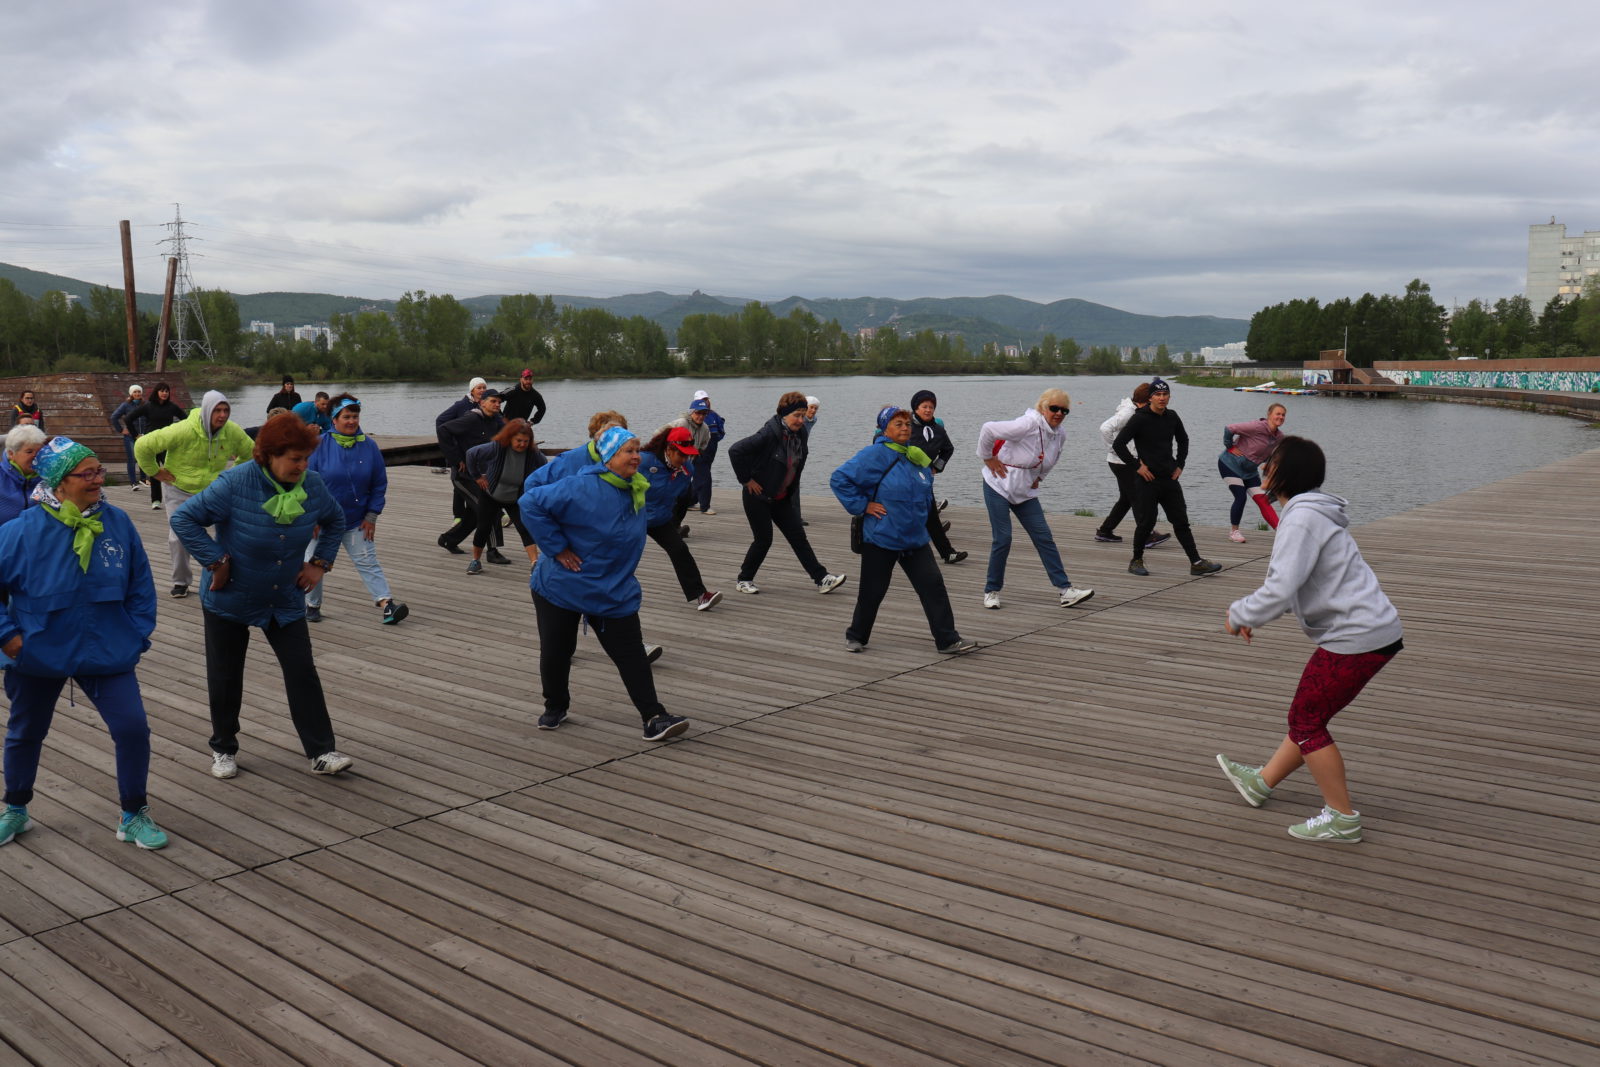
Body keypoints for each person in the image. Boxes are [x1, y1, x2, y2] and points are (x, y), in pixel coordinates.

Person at [1216, 435, 1403, 844]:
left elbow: (1282, 586)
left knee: (1306, 722)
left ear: (1287, 472)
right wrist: (1261, 613)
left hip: (1356, 635)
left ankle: (1342, 817)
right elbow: (1303, 583)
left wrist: (1241, 614)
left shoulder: (1300, 519)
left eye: (1272, 461)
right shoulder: (1311, 514)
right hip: (1368, 630)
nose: (1265, 466)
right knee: (1308, 716)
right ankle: (1261, 783)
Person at [0, 437, 167, 850]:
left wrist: (136, 633)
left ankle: (133, 813)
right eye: (87, 473)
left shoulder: (118, 522)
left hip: (108, 647)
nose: (99, 479)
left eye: (98, 471)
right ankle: (15, 809)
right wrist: (9, 638)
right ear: (59, 482)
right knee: (25, 731)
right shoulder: (18, 532)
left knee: (132, 729)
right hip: (37, 651)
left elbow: (141, 584)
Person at [169, 415, 354, 780]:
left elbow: (336, 519)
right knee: (225, 675)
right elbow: (184, 519)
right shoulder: (234, 484)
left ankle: (321, 751)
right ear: (268, 455)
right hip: (230, 597)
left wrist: (319, 563)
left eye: (305, 459)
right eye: (294, 459)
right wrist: (215, 561)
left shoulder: (312, 485)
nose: (302, 467)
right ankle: (223, 748)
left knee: (302, 670)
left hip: (284, 596)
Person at [519, 426, 689, 742]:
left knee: (631, 654)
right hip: (561, 586)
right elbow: (530, 503)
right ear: (609, 456)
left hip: (612, 588)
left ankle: (654, 717)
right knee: (557, 650)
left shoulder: (637, 487)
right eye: (629, 451)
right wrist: (556, 548)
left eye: (638, 450)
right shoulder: (581, 486)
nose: (637, 456)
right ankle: (555, 706)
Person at [832, 407, 975, 655]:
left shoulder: (915, 456)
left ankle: (948, 640)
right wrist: (863, 505)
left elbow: (923, 495)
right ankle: (856, 636)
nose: (905, 428)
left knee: (933, 588)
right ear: (884, 428)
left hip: (915, 539)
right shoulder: (874, 454)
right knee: (872, 592)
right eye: (898, 424)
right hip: (882, 537)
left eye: (907, 424)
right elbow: (839, 479)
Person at [975, 389, 1095, 611]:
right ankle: (991, 591)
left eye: (1064, 410)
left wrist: (1039, 477)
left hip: (1025, 491)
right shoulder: (1027, 424)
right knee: (1003, 538)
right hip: (998, 484)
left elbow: (1052, 459)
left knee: (1044, 537)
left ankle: (1065, 591)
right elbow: (988, 429)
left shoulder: (1060, 434)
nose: (1058, 413)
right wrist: (988, 457)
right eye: (1054, 408)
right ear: (1043, 408)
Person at [135, 390, 255, 598]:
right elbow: (142, 445)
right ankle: (181, 581)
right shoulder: (182, 430)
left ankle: (231, 575)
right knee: (178, 538)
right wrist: (155, 472)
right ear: (207, 410)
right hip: (179, 489)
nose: (222, 415)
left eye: (226, 410)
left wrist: (232, 476)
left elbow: (251, 452)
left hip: (213, 490)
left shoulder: (231, 431)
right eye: (217, 410)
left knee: (232, 529)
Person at [728, 391, 847, 596]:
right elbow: (735, 450)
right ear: (784, 414)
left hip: (781, 496)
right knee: (763, 540)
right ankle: (744, 579)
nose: (801, 420)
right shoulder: (768, 434)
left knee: (798, 536)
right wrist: (747, 479)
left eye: (803, 415)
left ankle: (821, 578)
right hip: (758, 497)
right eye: (797, 415)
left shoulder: (799, 434)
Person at [304, 394, 409, 625]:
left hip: (355, 520)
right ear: (334, 420)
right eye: (346, 417)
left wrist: (372, 516)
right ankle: (312, 605)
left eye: (355, 416)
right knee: (313, 562)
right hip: (322, 521)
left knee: (368, 562)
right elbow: (306, 485)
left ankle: (387, 605)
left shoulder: (369, 446)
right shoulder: (319, 446)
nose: (352, 421)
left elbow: (379, 484)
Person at [1113, 378, 1223, 578]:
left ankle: (1196, 563)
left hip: (1169, 479)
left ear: (1169, 397)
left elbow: (1184, 440)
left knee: (1181, 522)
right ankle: (1136, 560)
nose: (1162, 398)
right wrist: (1138, 466)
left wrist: (1180, 464)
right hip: (1147, 480)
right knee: (1146, 522)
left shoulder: (1172, 417)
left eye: (1165, 395)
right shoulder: (1139, 418)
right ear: (1150, 397)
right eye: (1157, 395)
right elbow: (1119, 444)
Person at [639, 425, 721, 611]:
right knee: (622, 557)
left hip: (659, 518)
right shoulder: (643, 461)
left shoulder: (687, 469)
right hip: (632, 517)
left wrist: (675, 523)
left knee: (679, 549)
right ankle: (589, 598)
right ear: (669, 449)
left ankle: (701, 595)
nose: (685, 459)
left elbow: (680, 498)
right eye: (681, 454)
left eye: (688, 455)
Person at [1095, 383, 1170, 549]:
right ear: (1146, 400)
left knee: (1126, 499)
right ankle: (1147, 536)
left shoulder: (1137, 411)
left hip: (1123, 461)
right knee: (1138, 496)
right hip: (1122, 462)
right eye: (1153, 397)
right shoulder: (1128, 412)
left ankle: (1105, 531)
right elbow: (1104, 428)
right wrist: (1115, 450)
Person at [465, 418, 546, 572]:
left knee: (525, 528)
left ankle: (534, 564)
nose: (522, 444)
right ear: (509, 438)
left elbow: (546, 468)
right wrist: (477, 477)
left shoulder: (533, 453)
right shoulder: (496, 447)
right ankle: (475, 561)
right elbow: (471, 454)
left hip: (515, 497)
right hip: (491, 495)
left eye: (526, 441)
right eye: (519, 440)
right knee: (483, 528)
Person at [436, 389, 507, 561]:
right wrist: (455, 459)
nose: (497, 404)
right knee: (488, 509)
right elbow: (444, 429)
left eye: (499, 402)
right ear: (482, 402)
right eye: (493, 401)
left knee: (475, 514)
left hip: (482, 476)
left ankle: (448, 540)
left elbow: (510, 432)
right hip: (463, 477)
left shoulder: (496, 420)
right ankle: (492, 551)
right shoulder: (471, 418)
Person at [908, 389, 966, 564]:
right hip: (901, 480)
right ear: (916, 408)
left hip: (924, 480)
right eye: (924, 406)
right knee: (904, 515)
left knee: (932, 516)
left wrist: (936, 467)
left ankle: (948, 553)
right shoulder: (905, 426)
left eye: (931, 407)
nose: (928, 410)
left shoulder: (938, 430)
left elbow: (948, 449)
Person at [1220, 403, 1286, 542]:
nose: (1280, 417)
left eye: (1283, 415)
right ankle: (1234, 532)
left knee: (1264, 501)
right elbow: (1230, 428)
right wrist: (1229, 446)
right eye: (1277, 413)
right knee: (1240, 496)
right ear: (1269, 414)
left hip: (1250, 472)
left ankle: (1282, 533)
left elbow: (1275, 455)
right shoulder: (1256, 427)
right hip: (1230, 465)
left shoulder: (1279, 437)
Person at [126, 382, 184, 510]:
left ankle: (177, 498)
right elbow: (128, 419)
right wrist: (136, 435)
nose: (165, 393)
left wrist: (180, 433)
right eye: (162, 391)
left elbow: (186, 420)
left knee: (173, 470)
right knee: (155, 471)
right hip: (151, 444)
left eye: (167, 391)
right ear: (156, 392)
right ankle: (156, 500)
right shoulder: (148, 406)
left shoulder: (172, 407)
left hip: (167, 443)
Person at [688, 391, 725, 515]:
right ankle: (705, 506)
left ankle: (689, 501)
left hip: (710, 452)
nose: (706, 401)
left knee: (699, 477)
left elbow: (721, 429)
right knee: (704, 477)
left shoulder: (713, 414)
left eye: (706, 399)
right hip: (699, 452)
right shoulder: (693, 417)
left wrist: (716, 439)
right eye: (702, 399)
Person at [0, 424, 44, 529]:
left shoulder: (51, 479)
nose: (36, 457)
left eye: (39, 452)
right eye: (29, 451)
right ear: (11, 454)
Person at [109, 384, 148, 491]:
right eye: (135, 392)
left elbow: (150, 417)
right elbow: (114, 417)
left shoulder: (146, 404)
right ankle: (133, 483)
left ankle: (144, 479)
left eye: (139, 392)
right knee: (132, 459)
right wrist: (121, 430)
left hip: (143, 436)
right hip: (130, 436)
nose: (137, 394)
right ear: (131, 394)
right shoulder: (126, 405)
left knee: (143, 458)